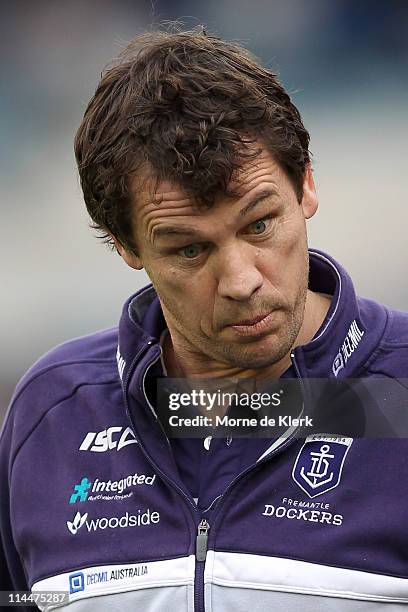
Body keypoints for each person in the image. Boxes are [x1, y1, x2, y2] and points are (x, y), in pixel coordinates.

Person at [1, 29, 408, 612]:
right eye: (190, 250)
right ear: (125, 245)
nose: (242, 281)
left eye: (260, 224)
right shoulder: (55, 410)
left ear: (307, 185)